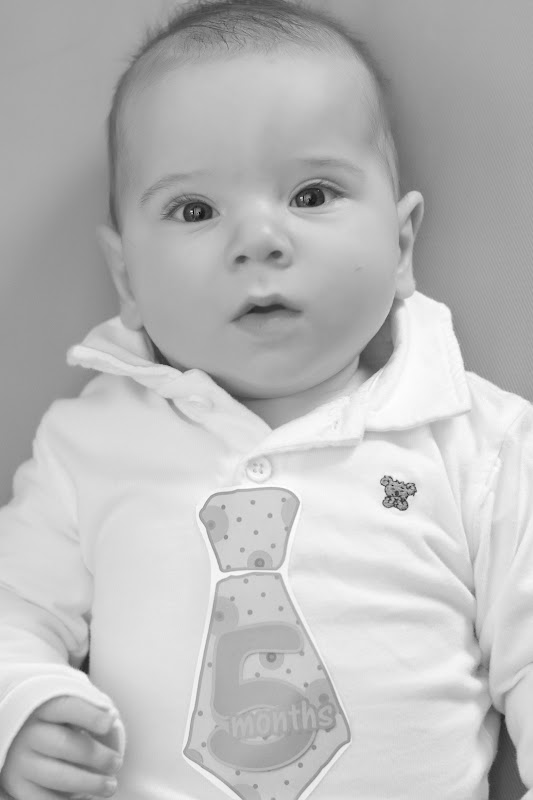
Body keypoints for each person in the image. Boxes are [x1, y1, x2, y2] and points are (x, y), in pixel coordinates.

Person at [0, 0, 532, 798]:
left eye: (312, 195)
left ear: (400, 245)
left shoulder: (477, 444)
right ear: (126, 279)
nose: (257, 240)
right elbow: (12, 609)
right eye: (194, 210)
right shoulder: (88, 444)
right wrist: (18, 705)